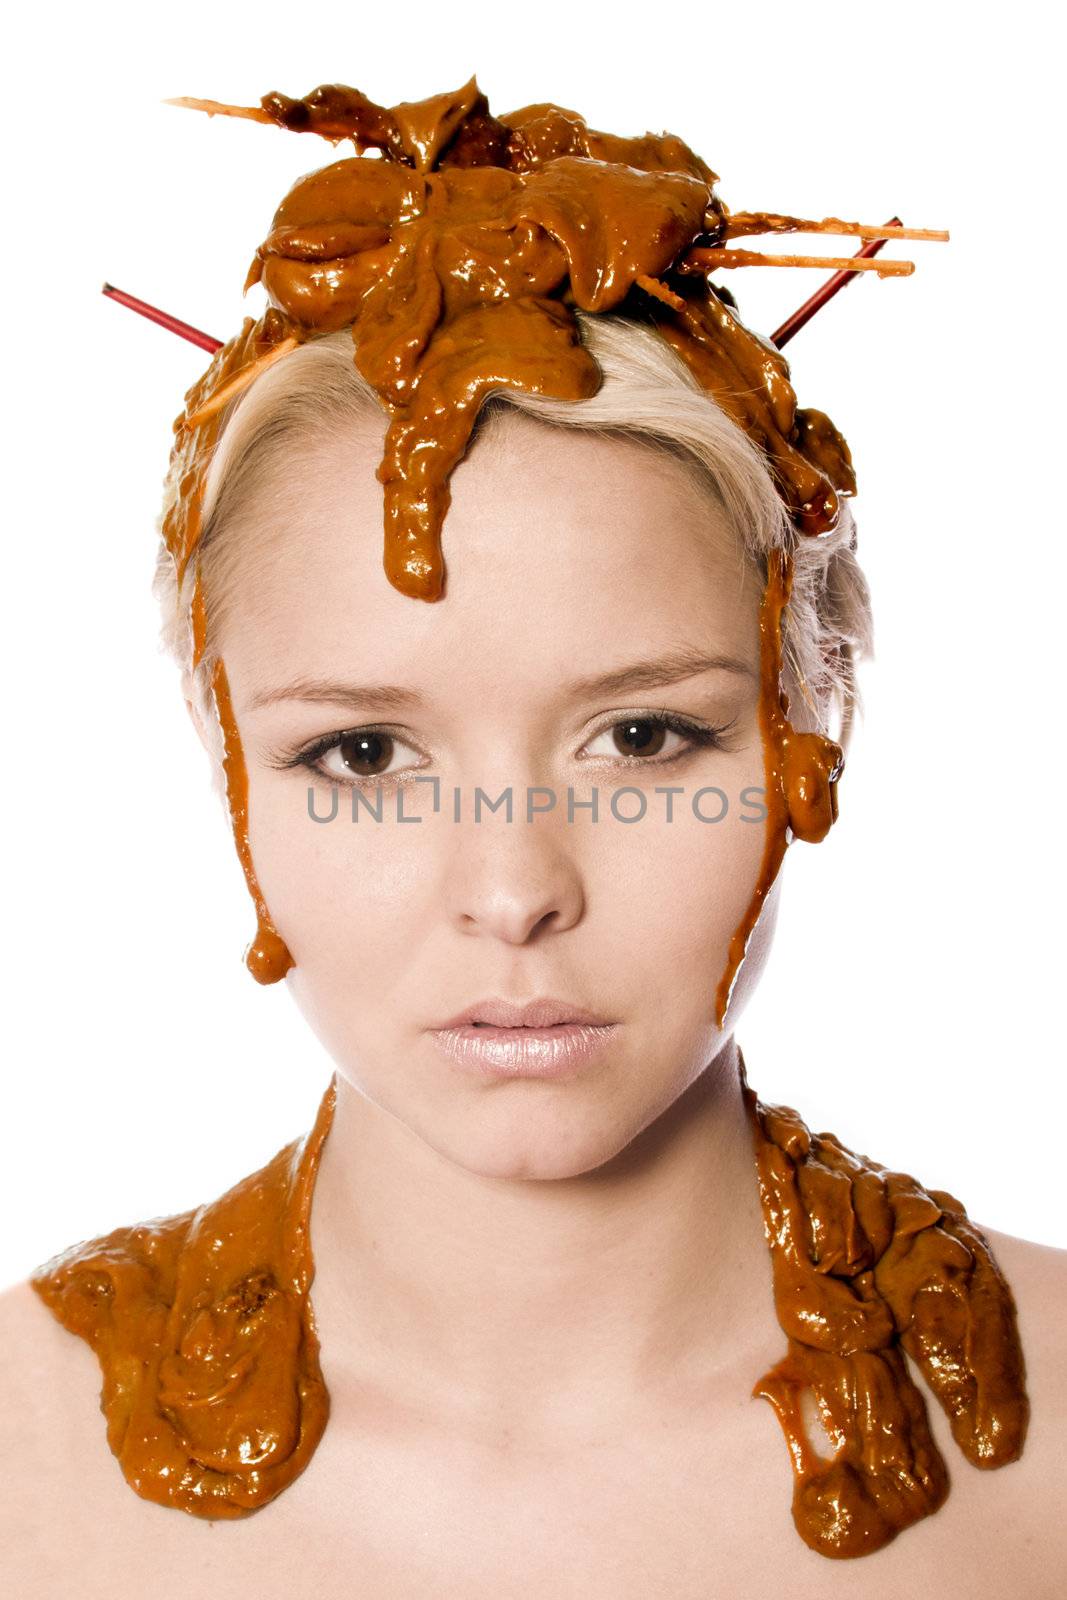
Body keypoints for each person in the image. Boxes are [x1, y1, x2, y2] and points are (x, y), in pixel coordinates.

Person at [3, 81, 1065, 1599]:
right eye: (364, 754)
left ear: (814, 719)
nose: (512, 892)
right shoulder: (19, 1458)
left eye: (643, 739)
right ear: (223, 751)